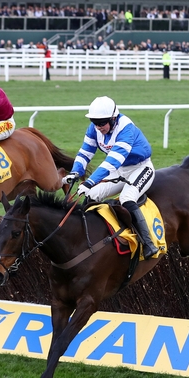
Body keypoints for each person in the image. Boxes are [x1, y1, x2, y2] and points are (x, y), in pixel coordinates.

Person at [62, 96, 157, 258]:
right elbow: (85, 152)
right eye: (94, 122)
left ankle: (148, 243)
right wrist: (75, 172)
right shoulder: (94, 129)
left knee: (127, 198)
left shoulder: (126, 129)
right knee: (90, 194)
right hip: (119, 169)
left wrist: (90, 181)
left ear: (113, 119)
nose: (98, 127)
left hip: (140, 168)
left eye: (102, 123)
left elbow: (112, 162)